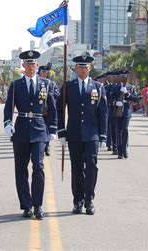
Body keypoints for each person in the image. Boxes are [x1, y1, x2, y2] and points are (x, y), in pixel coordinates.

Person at [3, 50, 57, 220]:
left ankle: (38, 205)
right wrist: (7, 123)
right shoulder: (16, 85)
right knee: (20, 168)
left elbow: (52, 108)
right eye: (28, 64)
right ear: (23, 66)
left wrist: (53, 129)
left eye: (34, 64)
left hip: (40, 128)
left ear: (37, 65)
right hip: (21, 129)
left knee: (38, 166)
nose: (31, 67)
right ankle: (26, 205)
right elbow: (9, 106)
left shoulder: (46, 84)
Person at [57, 54, 108, 215]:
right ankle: (78, 201)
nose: (83, 69)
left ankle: (89, 199)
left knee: (92, 166)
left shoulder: (98, 87)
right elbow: (60, 110)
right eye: (80, 66)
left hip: (92, 134)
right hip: (74, 134)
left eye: (86, 67)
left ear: (90, 68)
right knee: (76, 168)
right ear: (75, 68)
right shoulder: (68, 86)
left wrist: (103, 135)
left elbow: (103, 112)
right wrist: (61, 131)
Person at [111, 70, 137, 159]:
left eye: (125, 76)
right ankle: (119, 151)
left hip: (126, 111)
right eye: (122, 76)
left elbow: (135, 98)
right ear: (119, 77)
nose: (124, 77)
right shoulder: (115, 87)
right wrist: (115, 103)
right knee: (118, 131)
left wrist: (127, 94)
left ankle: (124, 149)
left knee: (124, 130)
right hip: (117, 111)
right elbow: (110, 99)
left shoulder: (130, 87)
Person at [38, 63, 58, 156]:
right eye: (43, 72)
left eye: (46, 72)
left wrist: (52, 95)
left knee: (48, 128)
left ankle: (47, 145)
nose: (45, 73)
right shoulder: (36, 82)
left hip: (48, 110)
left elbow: (57, 95)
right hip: (38, 111)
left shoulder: (52, 84)